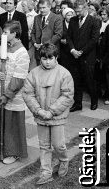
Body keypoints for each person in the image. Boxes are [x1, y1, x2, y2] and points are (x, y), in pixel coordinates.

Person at [23, 44, 74, 185]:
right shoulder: (33, 73)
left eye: (50, 58)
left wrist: (51, 112)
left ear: (56, 57)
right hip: (41, 116)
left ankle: (63, 160)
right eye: (44, 58)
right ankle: (46, 172)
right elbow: (28, 94)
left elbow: (67, 95)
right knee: (44, 145)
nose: (47, 61)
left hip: (57, 116)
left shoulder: (64, 73)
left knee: (58, 144)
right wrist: (39, 111)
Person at [0, 21, 30, 164]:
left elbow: (19, 78)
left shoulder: (22, 53)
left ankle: (12, 152)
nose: (3, 35)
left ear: (14, 34)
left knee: (11, 122)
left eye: (6, 32)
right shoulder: (2, 46)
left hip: (12, 94)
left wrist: (7, 95)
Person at [67, 1, 100, 111]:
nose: (77, 13)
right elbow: (69, 37)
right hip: (74, 56)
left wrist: (81, 51)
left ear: (86, 9)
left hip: (87, 57)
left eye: (79, 11)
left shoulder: (94, 21)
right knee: (76, 81)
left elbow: (94, 39)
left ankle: (94, 101)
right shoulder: (73, 20)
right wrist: (72, 50)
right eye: (76, 11)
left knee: (90, 80)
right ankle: (77, 103)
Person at [30, 0, 63, 65]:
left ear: (49, 7)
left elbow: (58, 34)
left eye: (44, 8)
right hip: (38, 52)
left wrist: (44, 45)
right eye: (40, 8)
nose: (41, 10)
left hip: (51, 51)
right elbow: (33, 32)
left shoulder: (57, 18)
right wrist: (35, 43)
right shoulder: (37, 18)